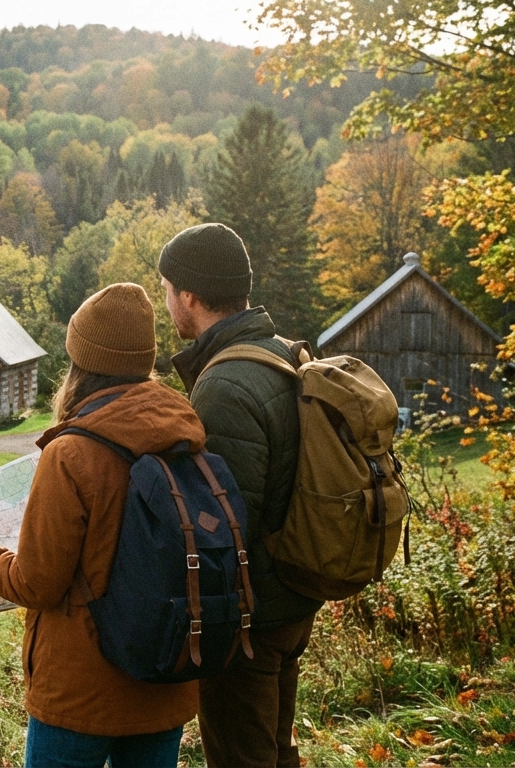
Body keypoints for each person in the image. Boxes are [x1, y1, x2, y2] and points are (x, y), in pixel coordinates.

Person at [0, 283, 207, 768]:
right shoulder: (186, 430)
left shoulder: (71, 453)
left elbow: (35, 584)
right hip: (166, 678)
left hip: (79, 695)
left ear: (81, 361)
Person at [158, 223, 323, 768]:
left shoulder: (225, 384)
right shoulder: (280, 353)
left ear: (189, 296)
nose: (166, 305)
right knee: (275, 749)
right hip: (293, 598)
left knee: (242, 757)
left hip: (251, 620)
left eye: (166, 291)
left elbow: (224, 526)